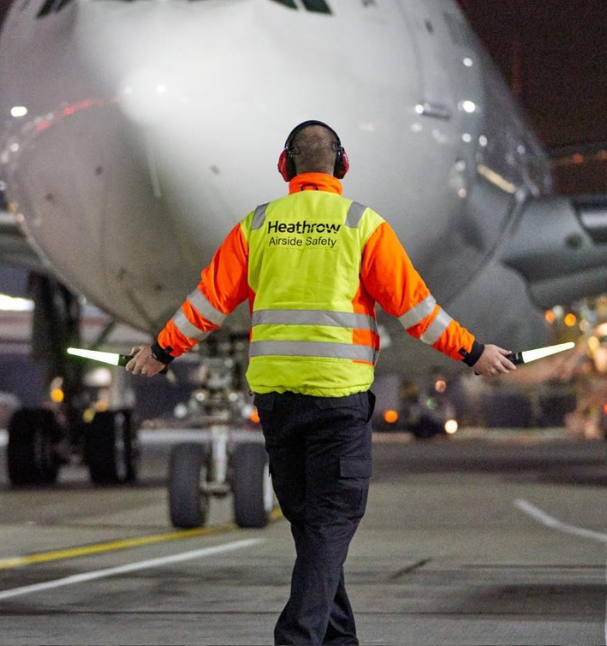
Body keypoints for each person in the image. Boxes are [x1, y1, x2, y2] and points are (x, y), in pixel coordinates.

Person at [127, 120, 516, 645]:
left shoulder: (257, 225)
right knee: (332, 523)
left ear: (285, 166)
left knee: (314, 530)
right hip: (338, 399)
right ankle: (297, 638)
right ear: (343, 165)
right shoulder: (363, 226)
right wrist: (474, 353)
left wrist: (160, 351)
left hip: (277, 403)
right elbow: (417, 310)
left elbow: (207, 304)